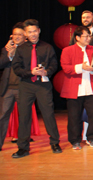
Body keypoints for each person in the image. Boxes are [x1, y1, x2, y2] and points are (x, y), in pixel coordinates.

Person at [11, 19, 61, 157]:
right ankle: (23, 147)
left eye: (35, 31)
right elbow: (16, 68)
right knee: (24, 116)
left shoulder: (47, 47)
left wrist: (47, 72)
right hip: (26, 84)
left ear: (39, 31)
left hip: (43, 84)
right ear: (25, 34)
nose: (33, 34)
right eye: (29, 32)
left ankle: (55, 142)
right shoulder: (20, 49)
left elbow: (54, 64)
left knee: (48, 113)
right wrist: (30, 73)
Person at [60, 26, 93, 150]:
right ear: (77, 38)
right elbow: (66, 68)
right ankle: (75, 140)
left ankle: (92, 138)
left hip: (91, 88)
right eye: (86, 36)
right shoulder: (67, 50)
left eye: (89, 36)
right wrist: (81, 67)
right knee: (74, 116)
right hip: (74, 89)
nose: (88, 38)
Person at [0, 23, 40, 150]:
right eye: (15, 34)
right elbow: (1, 63)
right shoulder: (6, 49)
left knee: (24, 117)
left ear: (25, 36)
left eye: (20, 34)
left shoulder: (29, 49)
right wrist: (9, 55)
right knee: (2, 116)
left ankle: (23, 145)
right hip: (7, 88)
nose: (17, 37)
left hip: (23, 87)